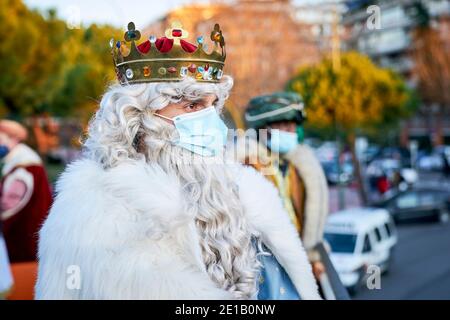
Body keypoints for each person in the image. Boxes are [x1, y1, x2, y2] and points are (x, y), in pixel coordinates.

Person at [35, 22, 320, 300]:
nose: (211, 121)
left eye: (212, 106)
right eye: (192, 106)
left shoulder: (247, 192)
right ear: (139, 118)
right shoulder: (85, 215)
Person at [237, 92, 329, 284]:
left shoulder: (294, 167)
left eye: (293, 126)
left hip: (298, 259)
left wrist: (310, 256)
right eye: (285, 126)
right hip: (268, 267)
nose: (292, 132)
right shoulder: (247, 167)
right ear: (263, 129)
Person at [0, 120, 52, 262]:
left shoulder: (24, 165)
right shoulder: (17, 161)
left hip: (24, 235)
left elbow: (9, 205)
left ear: (13, 139)